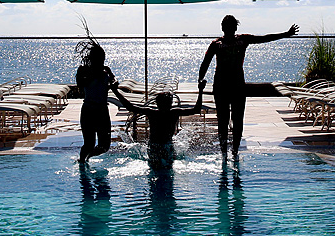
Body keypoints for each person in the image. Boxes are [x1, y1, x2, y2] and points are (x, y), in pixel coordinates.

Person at [199, 15, 298, 158]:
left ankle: (229, 152)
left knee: (229, 119)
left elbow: (264, 38)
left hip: (232, 86)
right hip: (226, 86)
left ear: (227, 28)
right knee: (230, 119)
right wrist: (286, 34)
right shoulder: (223, 43)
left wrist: (200, 79)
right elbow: (205, 63)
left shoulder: (233, 41)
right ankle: (230, 151)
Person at [111, 80, 207, 170]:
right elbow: (196, 109)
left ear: (157, 103)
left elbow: (130, 107)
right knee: (167, 171)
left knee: (155, 170)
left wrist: (115, 91)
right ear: (170, 103)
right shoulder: (173, 112)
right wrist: (201, 91)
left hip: (154, 146)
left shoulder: (152, 113)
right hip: (166, 145)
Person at [76, 40, 116, 164]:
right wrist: (94, 73)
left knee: (105, 146)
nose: (101, 61)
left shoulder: (106, 71)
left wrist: (111, 78)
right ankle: (82, 162)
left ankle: (87, 157)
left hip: (102, 110)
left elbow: (115, 82)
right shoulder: (84, 71)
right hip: (88, 110)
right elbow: (80, 86)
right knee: (89, 144)